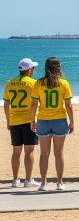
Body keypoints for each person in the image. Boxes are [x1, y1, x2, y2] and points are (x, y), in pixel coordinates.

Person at [30, 57, 73, 191]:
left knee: (44, 154)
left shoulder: (38, 83)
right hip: (59, 119)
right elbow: (69, 105)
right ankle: (59, 183)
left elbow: (33, 105)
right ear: (58, 67)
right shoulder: (63, 83)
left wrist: (32, 121)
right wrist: (72, 121)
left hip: (42, 120)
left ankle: (43, 184)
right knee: (59, 153)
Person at [3, 58, 40, 188]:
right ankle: (28, 180)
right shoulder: (34, 83)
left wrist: (8, 120)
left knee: (16, 151)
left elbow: (6, 105)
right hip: (29, 120)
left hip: (14, 120)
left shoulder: (10, 83)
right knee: (29, 150)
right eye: (33, 69)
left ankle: (15, 179)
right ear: (29, 70)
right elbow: (37, 103)